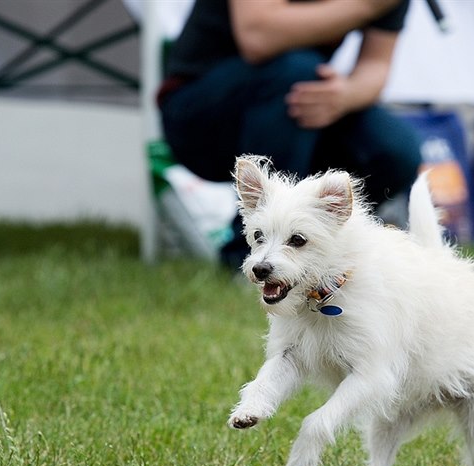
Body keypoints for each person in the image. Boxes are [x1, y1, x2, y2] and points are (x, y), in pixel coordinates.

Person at [158, 0, 422, 269]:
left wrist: (346, 95)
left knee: (395, 149)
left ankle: (326, 254)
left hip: (294, 99)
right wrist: (368, 5)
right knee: (299, 72)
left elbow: (376, 65)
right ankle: (247, 255)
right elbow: (257, 36)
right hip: (198, 116)